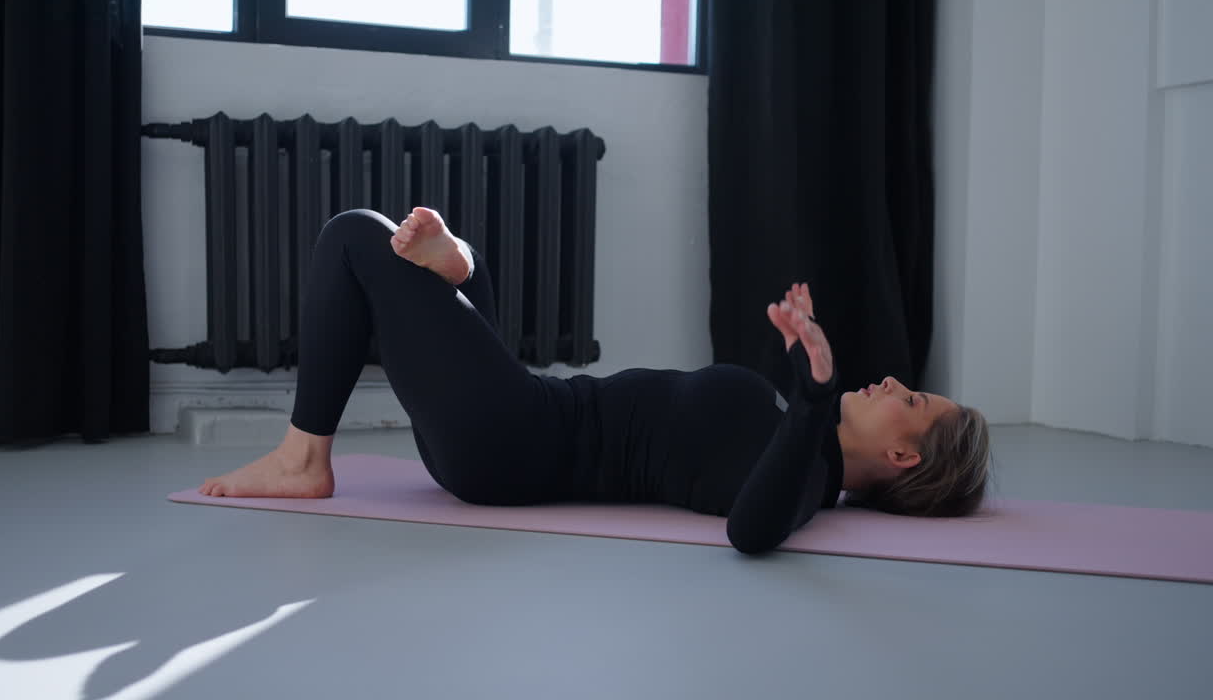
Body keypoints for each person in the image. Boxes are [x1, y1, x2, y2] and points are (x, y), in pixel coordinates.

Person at [197, 208, 992, 554]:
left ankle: (305, 457)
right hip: (523, 415)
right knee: (415, 259)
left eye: (912, 401)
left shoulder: (809, 477)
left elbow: (752, 532)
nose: (893, 382)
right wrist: (805, 396)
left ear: (902, 459)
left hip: (513, 443)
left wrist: (815, 395)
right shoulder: (799, 443)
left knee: (353, 237)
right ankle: (457, 269)